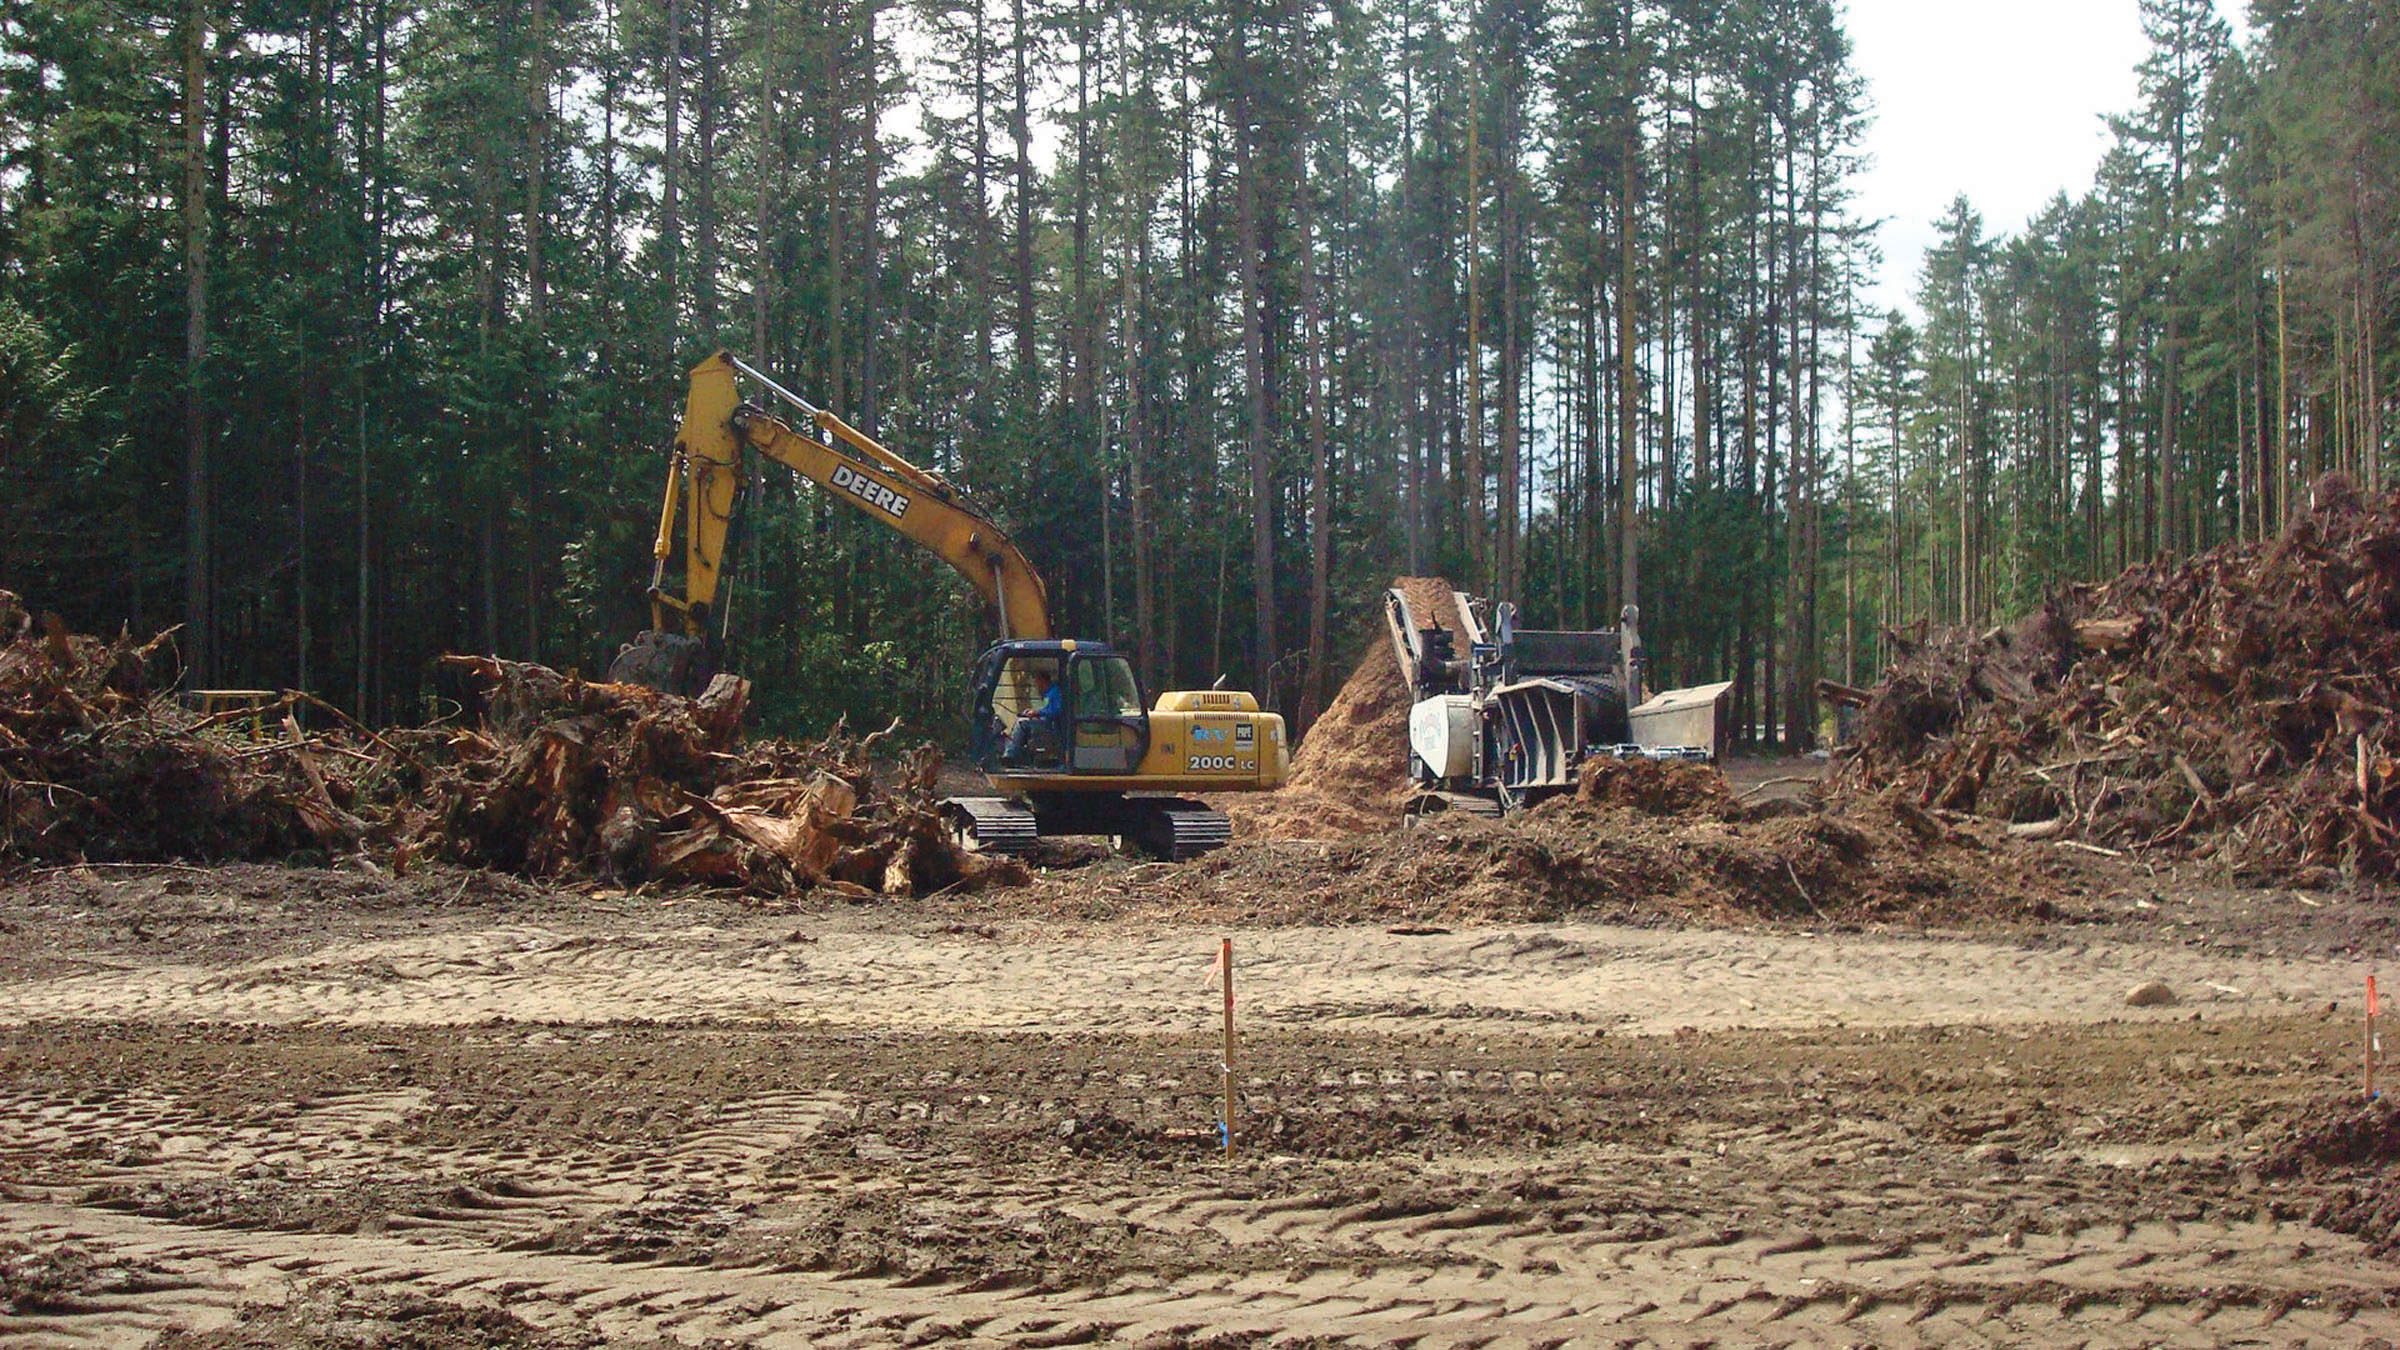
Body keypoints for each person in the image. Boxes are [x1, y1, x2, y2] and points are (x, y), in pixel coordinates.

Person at [1005, 666, 1065, 765]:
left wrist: (1038, 713)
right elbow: (1046, 709)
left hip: (1052, 726)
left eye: (1036, 681)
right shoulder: (1048, 692)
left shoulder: (1055, 692)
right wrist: (1034, 713)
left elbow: (1057, 711)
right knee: (1023, 720)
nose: (1036, 684)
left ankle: (1010, 755)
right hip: (1046, 723)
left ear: (1042, 680)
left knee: (1022, 724)